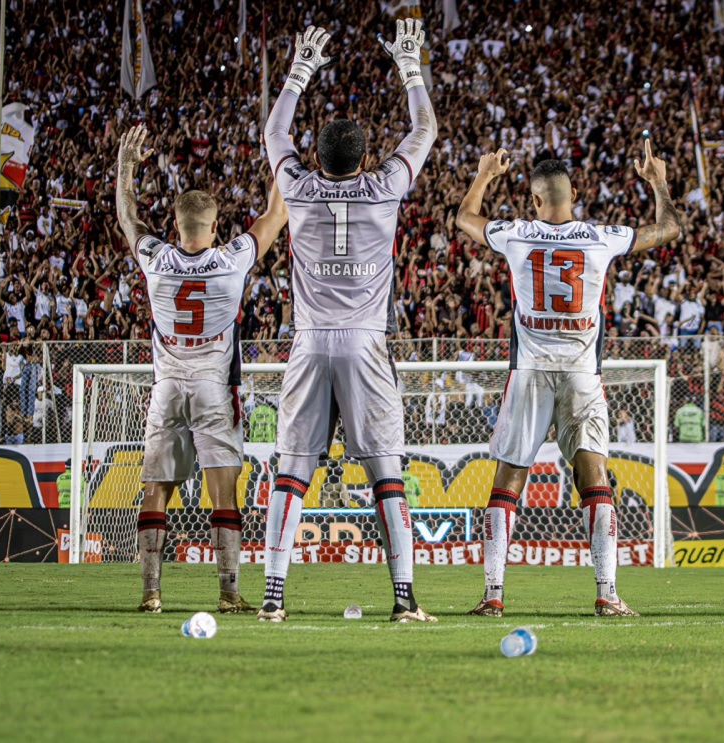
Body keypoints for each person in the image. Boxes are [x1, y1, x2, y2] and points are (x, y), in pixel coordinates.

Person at [455, 139, 681, 617]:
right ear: (574, 192)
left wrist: (484, 175)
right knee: (593, 476)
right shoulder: (602, 237)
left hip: (530, 373)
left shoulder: (515, 234)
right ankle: (608, 594)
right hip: (581, 374)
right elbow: (668, 229)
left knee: (508, 480)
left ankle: (493, 595)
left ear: (535, 200)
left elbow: (463, 219)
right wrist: (657, 181)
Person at [260, 22, 438, 623]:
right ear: (366, 157)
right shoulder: (387, 186)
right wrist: (409, 67)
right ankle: (404, 600)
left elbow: (274, 131)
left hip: (309, 343)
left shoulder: (299, 188)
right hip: (366, 343)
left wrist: (300, 69)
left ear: (316, 157)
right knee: (386, 470)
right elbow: (424, 130)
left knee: (292, 472)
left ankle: (273, 599)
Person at [115, 124, 287, 614]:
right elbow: (277, 213)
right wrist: (280, 161)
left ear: (175, 228)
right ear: (215, 227)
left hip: (167, 387)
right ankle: (229, 592)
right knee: (224, 490)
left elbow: (128, 217)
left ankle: (151, 593)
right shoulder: (232, 259)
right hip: (214, 388)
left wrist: (126, 167)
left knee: (155, 488)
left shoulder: (156, 258)